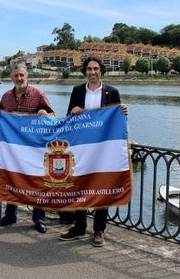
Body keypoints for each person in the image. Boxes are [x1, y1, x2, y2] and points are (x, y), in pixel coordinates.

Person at [59, 56, 128, 246]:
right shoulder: (78, 90)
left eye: (96, 68)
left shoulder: (112, 92)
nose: (92, 72)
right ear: (85, 72)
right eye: (89, 69)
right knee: (80, 185)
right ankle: (79, 227)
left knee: (102, 187)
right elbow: (68, 117)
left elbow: (117, 118)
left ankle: (99, 230)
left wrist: (123, 111)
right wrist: (72, 111)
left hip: (104, 149)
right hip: (82, 148)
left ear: (101, 71)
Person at [0, 63, 56, 233]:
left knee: (37, 181)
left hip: (34, 147)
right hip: (13, 149)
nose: (19, 78)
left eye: (22, 75)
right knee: (11, 179)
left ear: (27, 76)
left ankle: (39, 219)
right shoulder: (6, 97)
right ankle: (10, 215)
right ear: (11, 78)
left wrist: (46, 115)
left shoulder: (38, 95)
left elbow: (53, 117)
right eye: (16, 76)